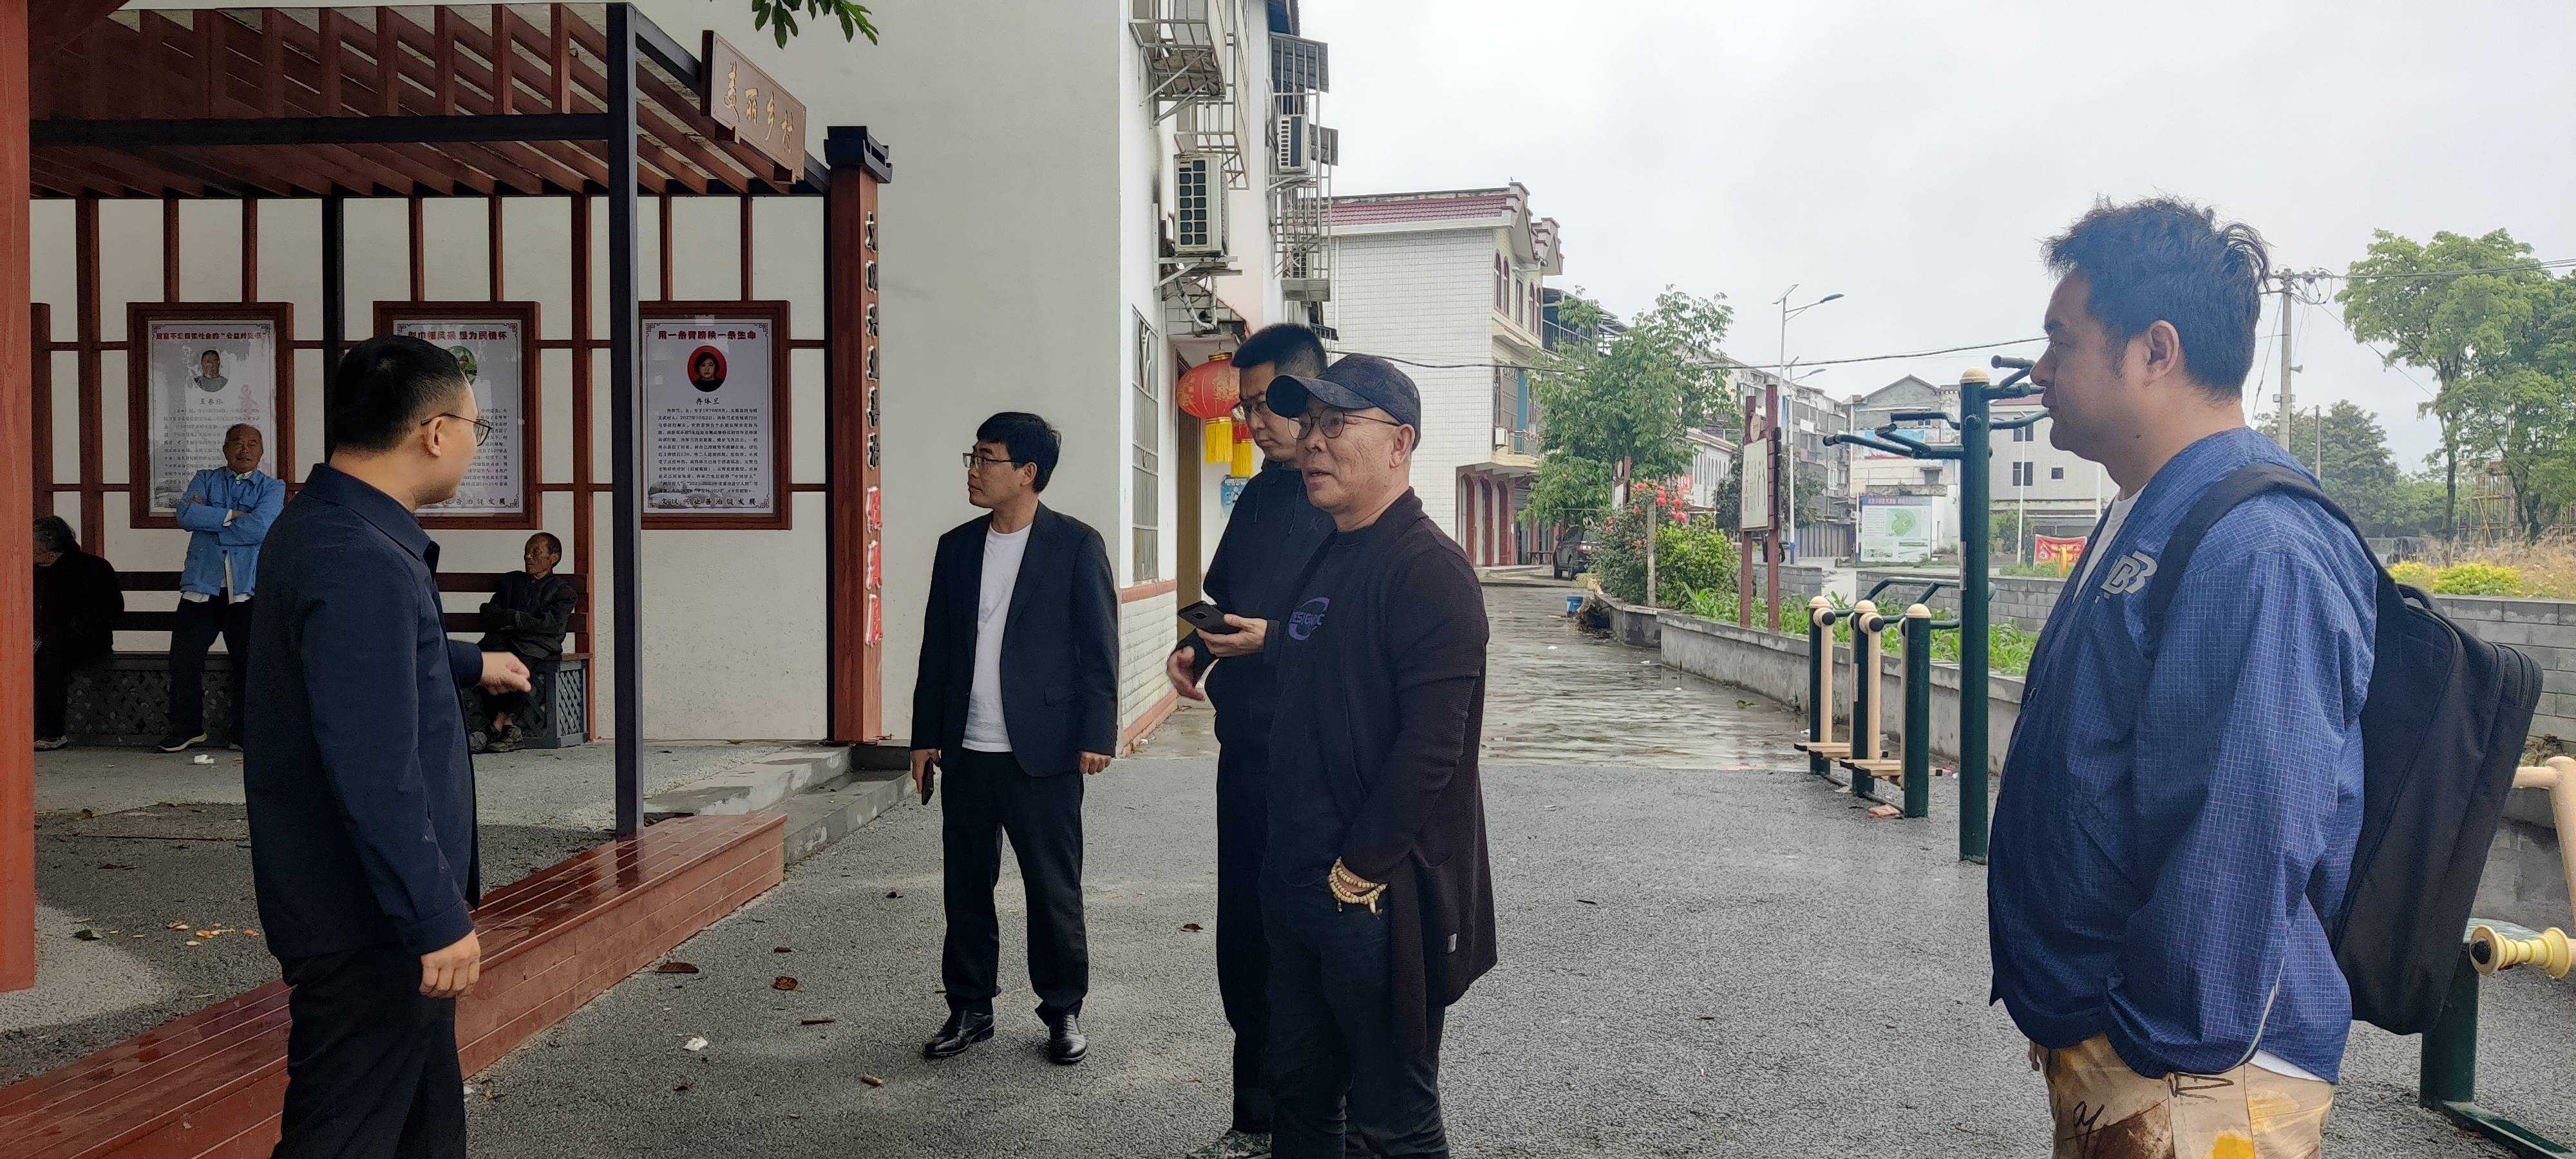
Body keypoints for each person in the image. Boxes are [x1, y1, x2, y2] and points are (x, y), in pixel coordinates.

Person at [1987, 198, 2376, 1158]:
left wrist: (2151, 1039)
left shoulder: (2260, 544)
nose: (2039, 370)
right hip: (2138, 1054)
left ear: (2155, 351)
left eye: (2061, 340)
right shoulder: (2150, 511)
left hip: (2196, 1074)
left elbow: (2249, 822)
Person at [243, 335, 531, 1159]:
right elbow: (374, 764)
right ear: (435, 433)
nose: (475, 443)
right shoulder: (355, 554)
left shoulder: (333, 527)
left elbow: (366, 657)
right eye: (476, 427)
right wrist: (433, 913)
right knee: (345, 1135)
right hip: (368, 918)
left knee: (423, 1131)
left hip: (377, 912)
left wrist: (472, 662)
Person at [1248, 355, 1496, 1159]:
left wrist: (1356, 871)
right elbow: (1318, 672)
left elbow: (1432, 748)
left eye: (1337, 423)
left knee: (1392, 1118)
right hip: (1296, 876)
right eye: (1309, 424)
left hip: (1373, 894)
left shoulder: (1430, 571)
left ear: (1400, 443)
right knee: (1301, 1095)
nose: (1313, 442)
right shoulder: (1332, 551)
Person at [1166, 323, 1334, 1159]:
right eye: (1246, 407)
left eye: (1268, 404)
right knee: (1247, 936)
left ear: (1312, 396)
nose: (1254, 423)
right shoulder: (1264, 498)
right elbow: (1227, 597)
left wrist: (1279, 640)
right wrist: (1194, 646)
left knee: (1315, 945)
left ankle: (1323, 1129)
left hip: (1321, 765)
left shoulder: (1347, 501)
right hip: (1249, 759)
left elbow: (1362, 632)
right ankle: (1254, 1118)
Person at [910, 411, 1118, 1066]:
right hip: (968, 749)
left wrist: (1097, 732)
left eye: (987, 458)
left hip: (1043, 749)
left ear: (1027, 472)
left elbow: (1098, 647)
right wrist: (924, 736)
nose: (973, 470)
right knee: (966, 887)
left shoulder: (1075, 544)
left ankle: (1062, 1010)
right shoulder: (956, 547)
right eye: (972, 456)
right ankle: (970, 1008)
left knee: (1053, 890)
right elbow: (937, 648)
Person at [160, 422, 283, 753]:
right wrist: (233, 515)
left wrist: (213, 522)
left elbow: (262, 528)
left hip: (246, 589)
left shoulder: (273, 488)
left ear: (262, 451)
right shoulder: (205, 478)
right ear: (225, 448)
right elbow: (186, 515)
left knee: (249, 662)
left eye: (253, 444)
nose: (245, 449)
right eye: (238, 443)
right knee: (184, 659)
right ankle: (186, 729)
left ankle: (243, 732)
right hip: (203, 584)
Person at [475, 532, 576, 753]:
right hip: (504, 641)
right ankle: (506, 728)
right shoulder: (511, 582)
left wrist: (515, 619)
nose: (528, 557)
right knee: (481, 662)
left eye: (536, 552)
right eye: (527, 552)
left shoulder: (563, 591)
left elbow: (550, 625)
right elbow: (490, 613)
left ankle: (496, 725)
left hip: (537, 646)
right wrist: (520, 620)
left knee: (516, 667)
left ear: (554, 558)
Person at [32, 515, 122, 751]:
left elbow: (110, 612)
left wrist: (53, 635)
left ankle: (51, 732)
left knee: (49, 660)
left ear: (48, 545)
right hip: (47, 641)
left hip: (85, 642)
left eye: (32, 540)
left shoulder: (92, 568)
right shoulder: (33, 570)